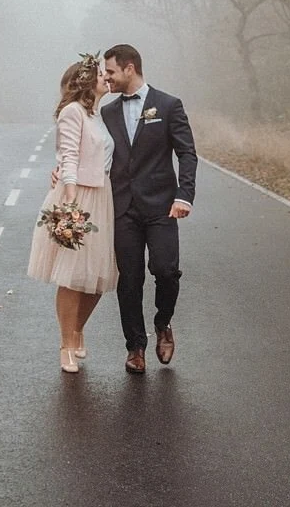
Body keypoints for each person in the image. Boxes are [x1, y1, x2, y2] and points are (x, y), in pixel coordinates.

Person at [98, 43, 196, 374]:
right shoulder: (107, 112)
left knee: (166, 271)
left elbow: (187, 153)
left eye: (110, 70)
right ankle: (135, 347)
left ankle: (163, 322)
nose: (106, 77)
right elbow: (95, 152)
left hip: (162, 206)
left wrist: (185, 195)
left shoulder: (168, 105)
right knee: (130, 279)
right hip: (122, 206)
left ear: (129, 68)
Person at [27, 54, 119, 373]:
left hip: (103, 194)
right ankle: (66, 344)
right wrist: (69, 199)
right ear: (87, 81)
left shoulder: (98, 114)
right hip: (78, 194)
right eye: (101, 74)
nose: (107, 78)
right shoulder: (72, 112)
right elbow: (67, 156)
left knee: (98, 275)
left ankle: (78, 329)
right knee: (70, 276)